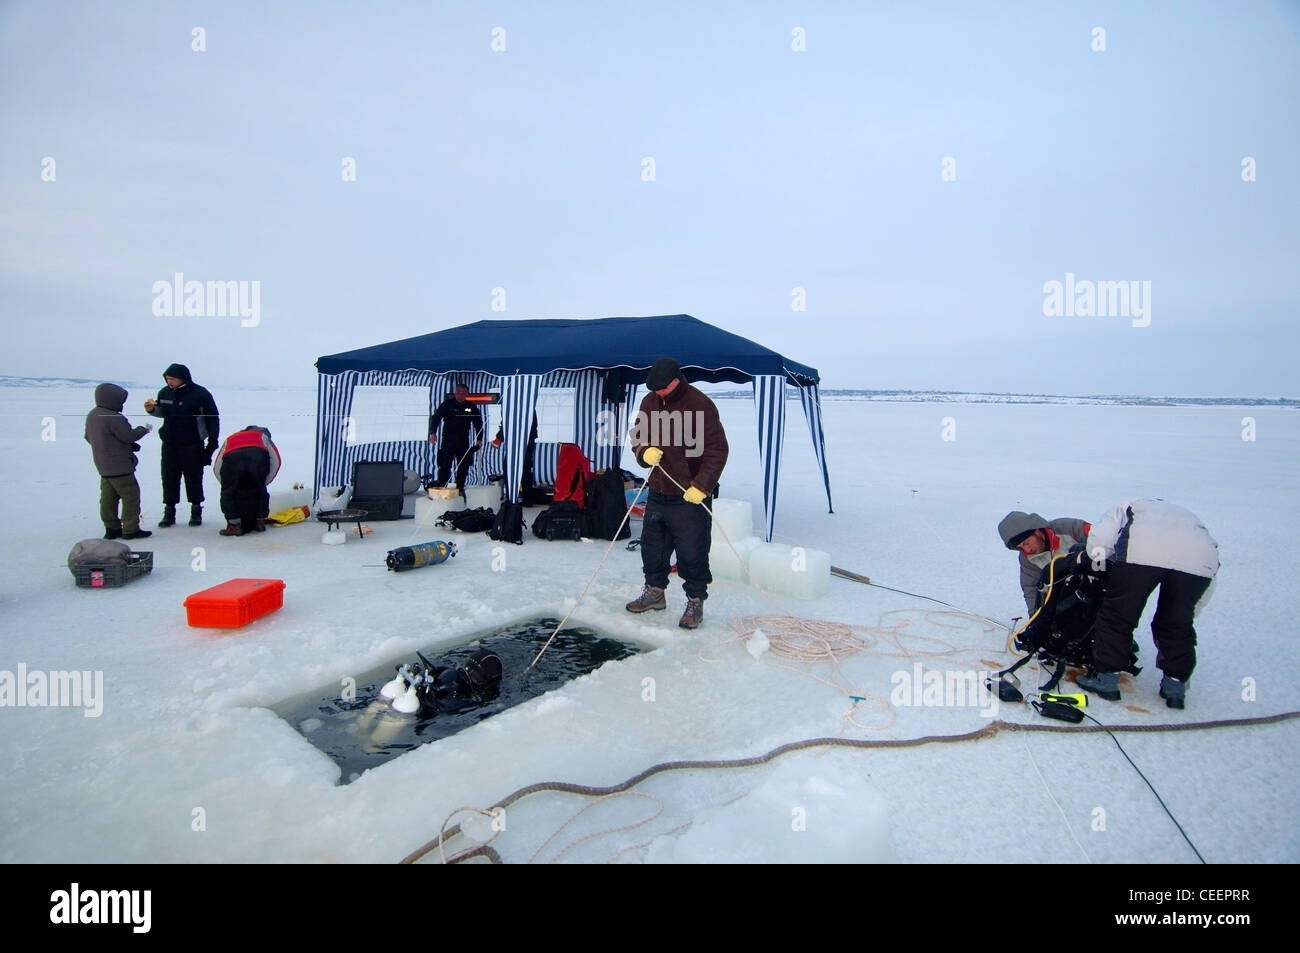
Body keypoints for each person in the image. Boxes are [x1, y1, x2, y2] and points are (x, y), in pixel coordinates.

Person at [1073, 500, 1219, 709]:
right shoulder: (1188, 519)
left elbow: (1101, 539)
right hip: (1201, 560)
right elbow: (1205, 589)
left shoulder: (1127, 506)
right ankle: (1175, 687)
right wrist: (1185, 615)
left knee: (1118, 616)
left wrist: (1097, 563)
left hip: (1142, 551)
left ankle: (1106, 681)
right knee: (1177, 623)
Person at [626, 357, 729, 629]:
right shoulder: (649, 402)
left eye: (662, 388)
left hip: (690, 496)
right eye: (654, 389)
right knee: (652, 548)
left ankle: (695, 601)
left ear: (675, 380)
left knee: (692, 553)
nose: (657, 393)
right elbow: (637, 434)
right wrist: (643, 451)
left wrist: (702, 486)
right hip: (658, 490)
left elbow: (717, 450)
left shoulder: (700, 404)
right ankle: (655, 593)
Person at [144, 363, 220, 527]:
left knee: (193, 477)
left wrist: (212, 441)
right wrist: (151, 409)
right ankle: (169, 512)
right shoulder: (164, 393)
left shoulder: (200, 394)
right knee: (169, 477)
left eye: (173, 379)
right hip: (170, 443)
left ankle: (196, 510)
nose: (169, 382)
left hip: (192, 443)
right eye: (167, 379)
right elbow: (163, 412)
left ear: (183, 378)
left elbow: (213, 417)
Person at [84, 383, 154, 540]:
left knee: (108, 498)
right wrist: (143, 429)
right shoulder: (114, 417)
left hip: (103, 465)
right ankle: (130, 529)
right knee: (130, 497)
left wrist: (111, 447)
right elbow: (128, 436)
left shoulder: (93, 415)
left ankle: (112, 528)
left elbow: (89, 437)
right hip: (120, 467)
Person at [998, 511, 1091, 614]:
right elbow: (1031, 588)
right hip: (1069, 595)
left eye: (1026, 543)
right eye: (1021, 547)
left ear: (1037, 532)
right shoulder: (1027, 557)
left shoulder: (1069, 528)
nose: (1027, 550)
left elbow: (1106, 540)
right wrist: (1035, 618)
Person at [211, 426, 282, 537]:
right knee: (261, 491)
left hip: (231, 460)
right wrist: (264, 481)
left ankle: (234, 526)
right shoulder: (263, 437)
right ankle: (259, 522)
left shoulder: (231, 438)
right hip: (256, 459)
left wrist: (225, 484)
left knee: (227, 494)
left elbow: (217, 466)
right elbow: (276, 460)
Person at [427, 382, 483, 492]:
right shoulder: (447, 405)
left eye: (463, 393)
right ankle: (442, 486)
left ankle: (460, 488)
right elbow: (435, 418)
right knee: (444, 465)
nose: (460, 395)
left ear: (467, 394)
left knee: (463, 466)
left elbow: (478, 423)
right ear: (455, 393)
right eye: (458, 393)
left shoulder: (471, 407)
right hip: (448, 440)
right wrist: (432, 432)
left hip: (463, 441)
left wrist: (479, 438)